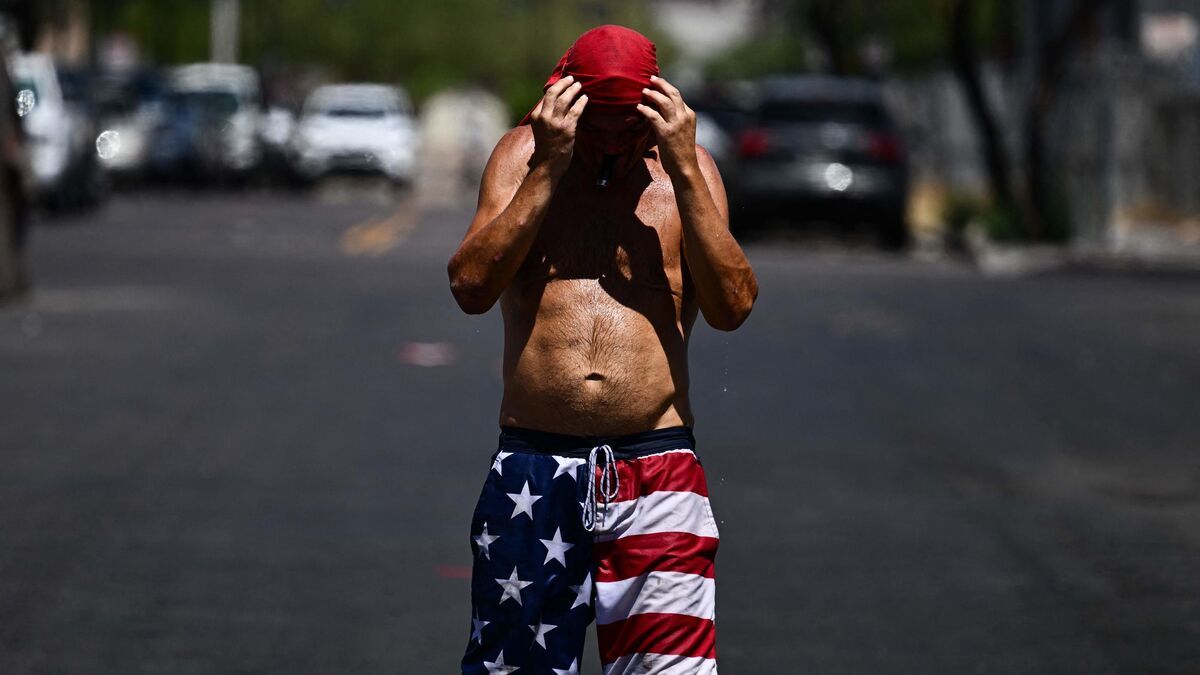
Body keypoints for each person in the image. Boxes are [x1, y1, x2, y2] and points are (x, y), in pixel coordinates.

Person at [448, 25, 757, 674]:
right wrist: (550, 167)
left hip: (657, 470)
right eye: (598, 124)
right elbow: (471, 287)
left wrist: (682, 166)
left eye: (628, 125)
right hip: (535, 466)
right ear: (564, 102)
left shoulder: (691, 172)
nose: (613, 142)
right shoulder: (522, 155)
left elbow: (732, 306)